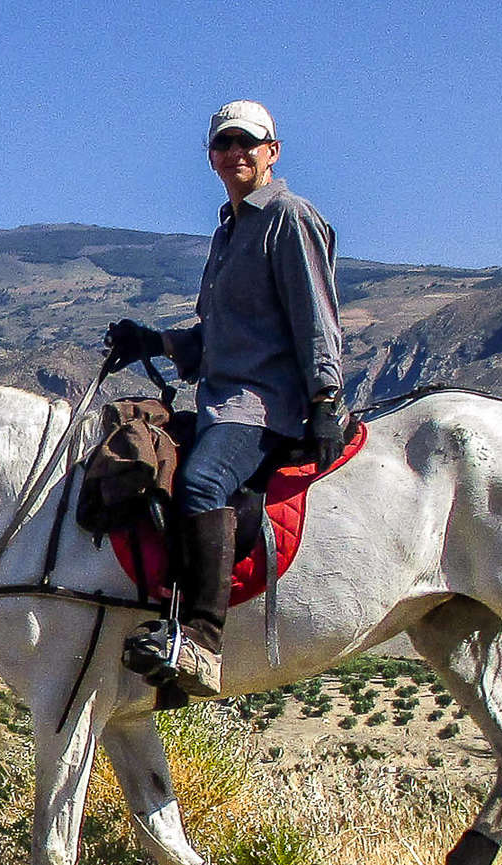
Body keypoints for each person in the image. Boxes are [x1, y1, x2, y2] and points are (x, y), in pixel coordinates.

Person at [104, 99, 347, 696]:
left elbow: (316, 313)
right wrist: (155, 341)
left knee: (203, 483)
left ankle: (203, 641)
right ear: (212, 156)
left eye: (248, 143)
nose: (235, 153)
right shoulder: (230, 230)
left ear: (273, 151)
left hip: (263, 406)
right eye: (224, 145)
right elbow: (224, 336)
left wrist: (324, 398)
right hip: (221, 399)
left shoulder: (287, 216)